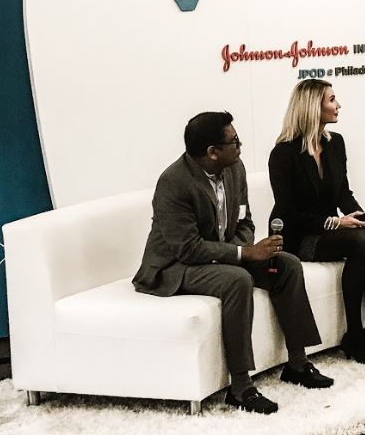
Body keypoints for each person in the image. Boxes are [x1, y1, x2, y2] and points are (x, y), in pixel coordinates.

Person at [132, 111, 333, 415]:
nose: (240, 146)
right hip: (175, 267)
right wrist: (244, 255)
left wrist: (245, 249)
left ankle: (297, 363)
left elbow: (245, 221)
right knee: (237, 280)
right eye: (234, 141)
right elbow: (188, 248)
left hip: (221, 254)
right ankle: (240, 386)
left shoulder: (234, 169)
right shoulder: (173, 183)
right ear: (212, 152)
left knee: (287, 265)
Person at [268, 79, 365, 365]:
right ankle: (353, 333)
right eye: (332, 100)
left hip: (329, 229)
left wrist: (360, 217)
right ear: (314, 107)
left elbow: (342, 193)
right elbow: (287, 213)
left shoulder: (335, 143)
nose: (338, 105)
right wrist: (336, 224)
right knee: (360, 240)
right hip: (299, 235)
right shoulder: (283, 154)